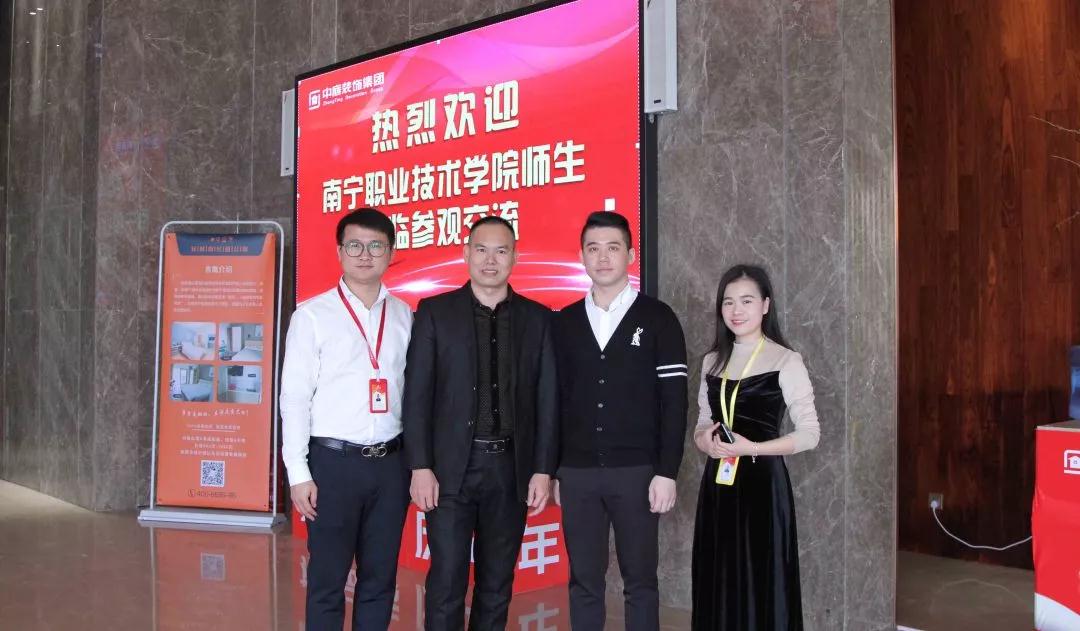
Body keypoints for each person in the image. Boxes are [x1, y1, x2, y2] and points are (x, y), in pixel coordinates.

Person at [402, 215, 558, 631]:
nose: (491, 260)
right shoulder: (435, 313)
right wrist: (420, 466)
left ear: (515, 257)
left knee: (497, 584)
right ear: (466, 254)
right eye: (482, 250)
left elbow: (547, 400)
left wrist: (542, 469)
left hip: (510, 470)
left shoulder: (538, 319)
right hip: (451, 470)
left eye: (501, 251)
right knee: (446, 582)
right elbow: (417, 395)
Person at [552, 211, 688, 631]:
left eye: (613, 248)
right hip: (577, 474)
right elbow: (554, 403)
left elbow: (674, 402)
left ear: (630, 255)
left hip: (638, 472)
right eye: (593, 248)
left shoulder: (658, 318)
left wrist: (667, 472)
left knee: (640, 581)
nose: (603, 257)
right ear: (581, 256)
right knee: (584, 581)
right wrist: (555, 470)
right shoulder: (563, 322)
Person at [279, 208, 414, 631]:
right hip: (333, 465)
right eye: (354, 245)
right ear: (339, 252)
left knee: (380, 579)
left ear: (390, 252)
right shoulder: (312, 316)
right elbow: (294, 398)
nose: (365, 254)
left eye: (375, 246)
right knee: (327, 581)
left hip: (390, 466)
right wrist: (298, 473)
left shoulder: (405, 316)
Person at [690, 264, 821, 630]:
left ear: (765, 305)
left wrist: (754, 449)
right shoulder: (711, 361)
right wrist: (705, 442)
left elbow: (810, 433)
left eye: (747, 301)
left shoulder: (785, 360)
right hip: (719, 483)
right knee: (718, 574)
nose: (737, 310)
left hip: (763, 486)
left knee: (762, 577)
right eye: (728, 301)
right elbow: (702, 422)